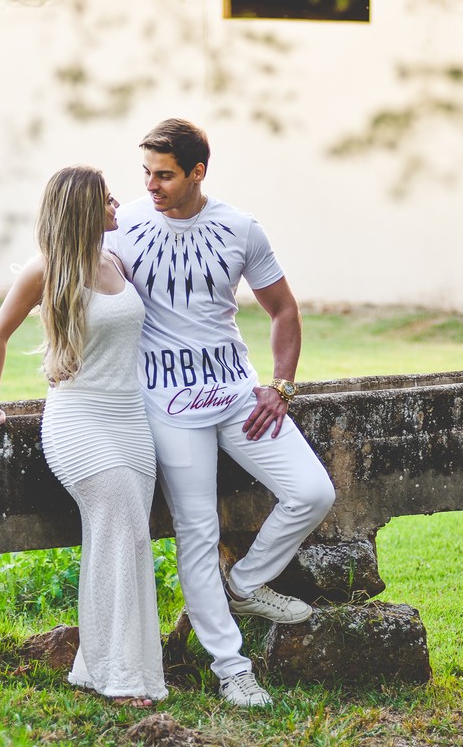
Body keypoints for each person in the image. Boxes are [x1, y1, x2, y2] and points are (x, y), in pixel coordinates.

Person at [104, 119, 336, 708]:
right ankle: (233, 669)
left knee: (313, 492)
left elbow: (284, 310)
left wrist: (280, 385)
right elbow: (82, 294)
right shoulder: (123, 227)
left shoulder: (240, 228)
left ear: (197, 172)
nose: (150, 185)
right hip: (168, 403)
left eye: (164, 175)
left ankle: (248, 582)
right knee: (197, 531)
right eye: (146, 173)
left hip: (238, 395)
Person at [0, 165, 167, 707]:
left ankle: (103, 665)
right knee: (120, 530)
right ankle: (120, 676)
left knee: (127, 539)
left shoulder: (116, 260)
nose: (117, 206)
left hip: (131, 422)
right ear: (82, 208)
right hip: (79, 422)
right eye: (107, 200)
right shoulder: (46, 269)